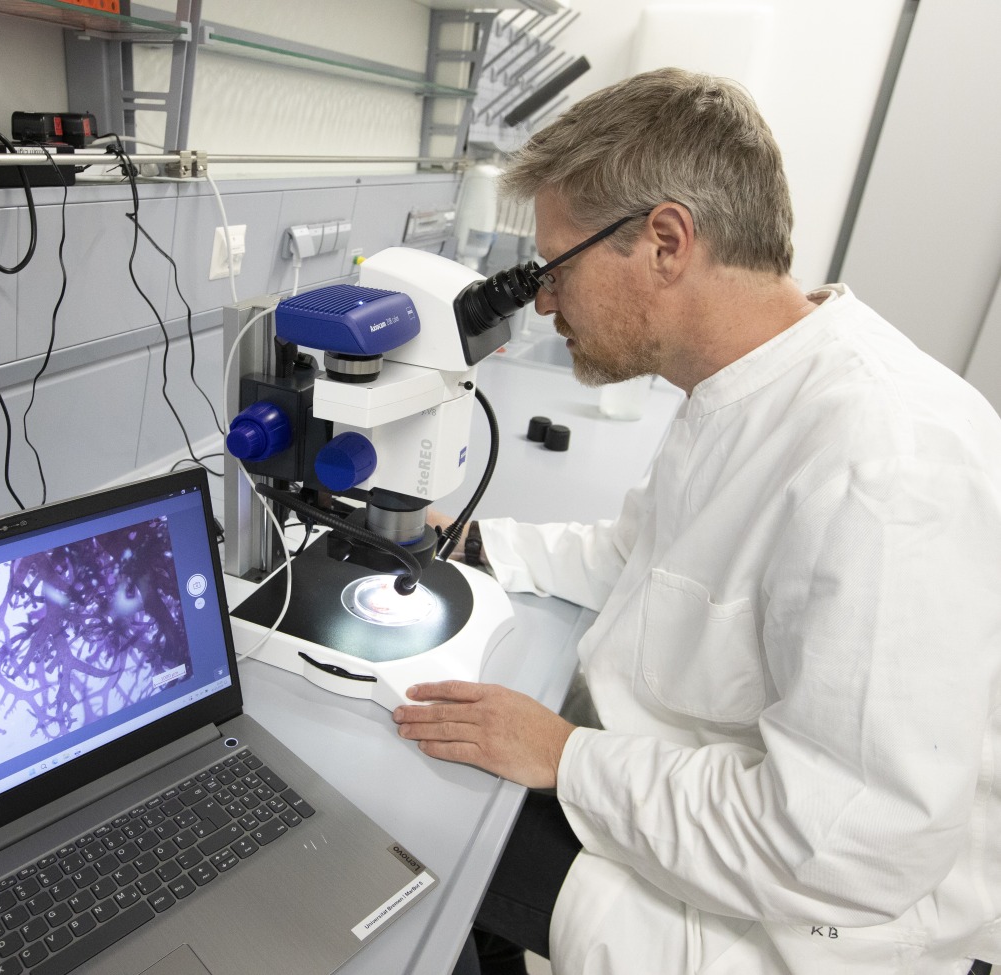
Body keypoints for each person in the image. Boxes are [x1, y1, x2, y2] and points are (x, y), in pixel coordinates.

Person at [394, 67, 1001, 975]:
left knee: (430, 823)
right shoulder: (746, 385)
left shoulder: (886, 462)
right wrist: (472, 541)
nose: (546, 302)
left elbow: (844, 842)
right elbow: (643, 559)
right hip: (711, 820)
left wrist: (566, 756)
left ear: (667, 242)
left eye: (555, 269)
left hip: (814, 928)